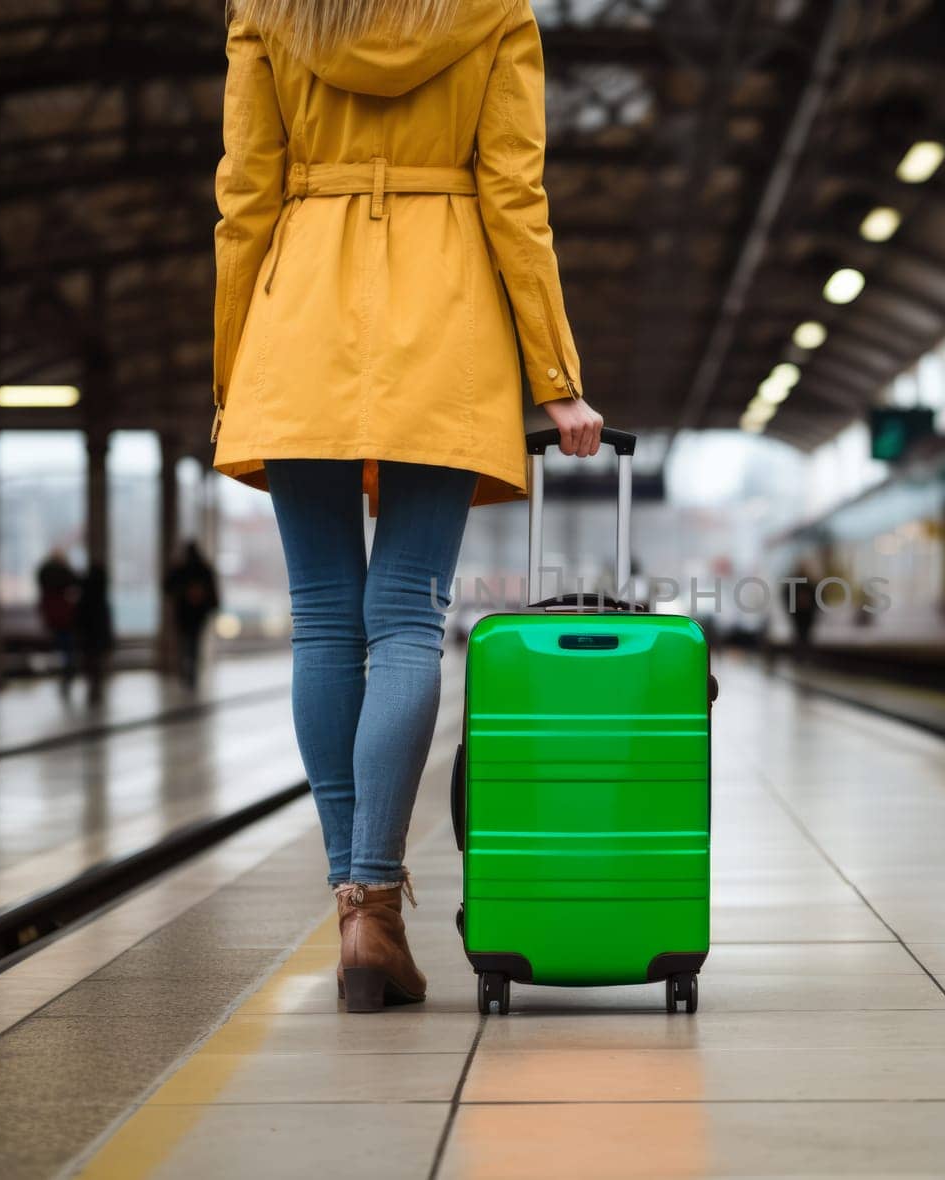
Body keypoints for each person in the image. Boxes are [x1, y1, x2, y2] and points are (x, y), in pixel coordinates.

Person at [209, 0, 603, 1011]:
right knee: (407, 617)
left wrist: (234, 370)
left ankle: (355, 910)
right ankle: (377, 903)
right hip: (447, 319)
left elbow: (246, 194)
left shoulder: (270, 11)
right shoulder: (493, 15)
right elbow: (516, 193)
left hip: (297, 317)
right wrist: (556, 378)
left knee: (323, 617)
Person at [163, 540, 221, 689]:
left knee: (186, 643)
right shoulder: (204, 569)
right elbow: (214, 594)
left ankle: (187, 673)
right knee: (193, 644)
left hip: (185, 613)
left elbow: (167, 587)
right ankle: (190, 673)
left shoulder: (181, 569)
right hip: (195, 615)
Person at [35, 548, 79, 694]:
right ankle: (68, 671)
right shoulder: (64, 571)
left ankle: (65, 671)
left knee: (62, 645)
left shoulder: (44, 571)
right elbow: (75, 582)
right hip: (64, 614)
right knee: (68, 646)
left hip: (51, 613)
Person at [74, 564, 115, 706]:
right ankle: (95, 688)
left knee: (91, 661)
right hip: (98, 635)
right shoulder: (102, 598)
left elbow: (79, 619)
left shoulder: (85, 596)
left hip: (88, 635)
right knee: (97, 662)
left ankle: (93, 688)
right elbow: (106, 621)